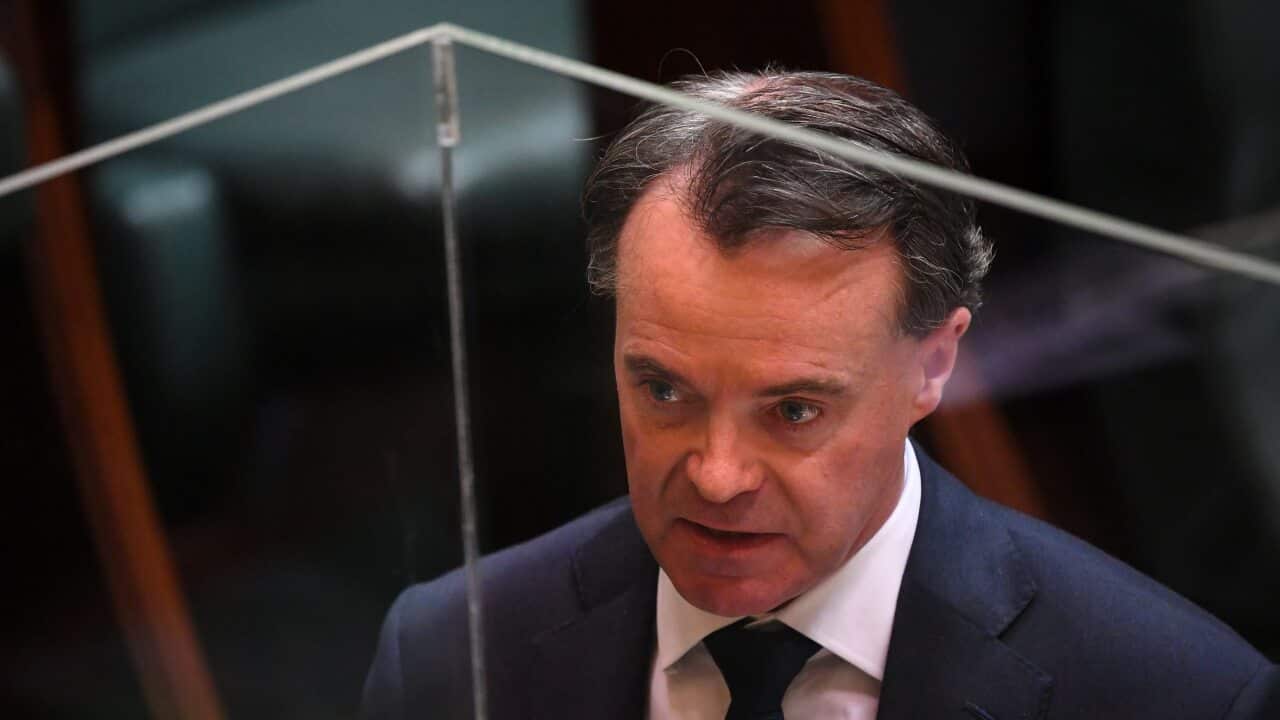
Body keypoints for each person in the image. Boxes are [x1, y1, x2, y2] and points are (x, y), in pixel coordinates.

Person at [361, 71, 1279, 719]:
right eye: (664, 390)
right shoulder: (449, 652)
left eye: (794, 411)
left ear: (934, 365)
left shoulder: (1174, 694)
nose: (717, 477)